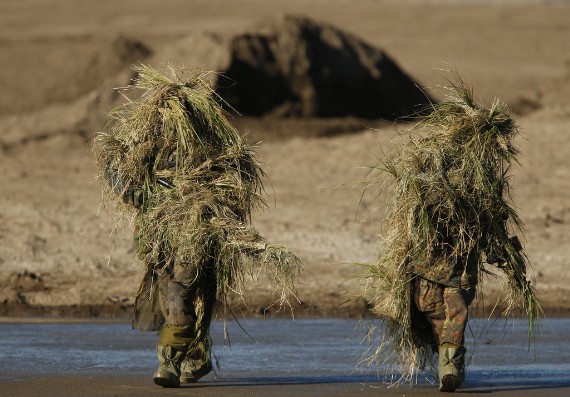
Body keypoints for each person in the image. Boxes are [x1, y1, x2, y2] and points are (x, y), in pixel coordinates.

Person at [94, 64, 300, 388]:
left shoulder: (208, 149)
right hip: (159, 243)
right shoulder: (147, 148)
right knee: (172, 300)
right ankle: (197, 357)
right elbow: (128, 186)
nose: (165, 122)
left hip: (197, 240)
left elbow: (232, 183)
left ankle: (168, 364)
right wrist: (113, 164)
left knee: (179, 298)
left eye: (172, 116)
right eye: (162, 116)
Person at [363, 79, 541, 392]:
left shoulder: (467, 189)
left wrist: (509, 262)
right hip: (429, 271)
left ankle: (450, 372)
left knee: (453, 315)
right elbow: (418, 222)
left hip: (446, 272)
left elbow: (490, 232)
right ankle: (446, 361)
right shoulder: (446, 188)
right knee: (435, 318)